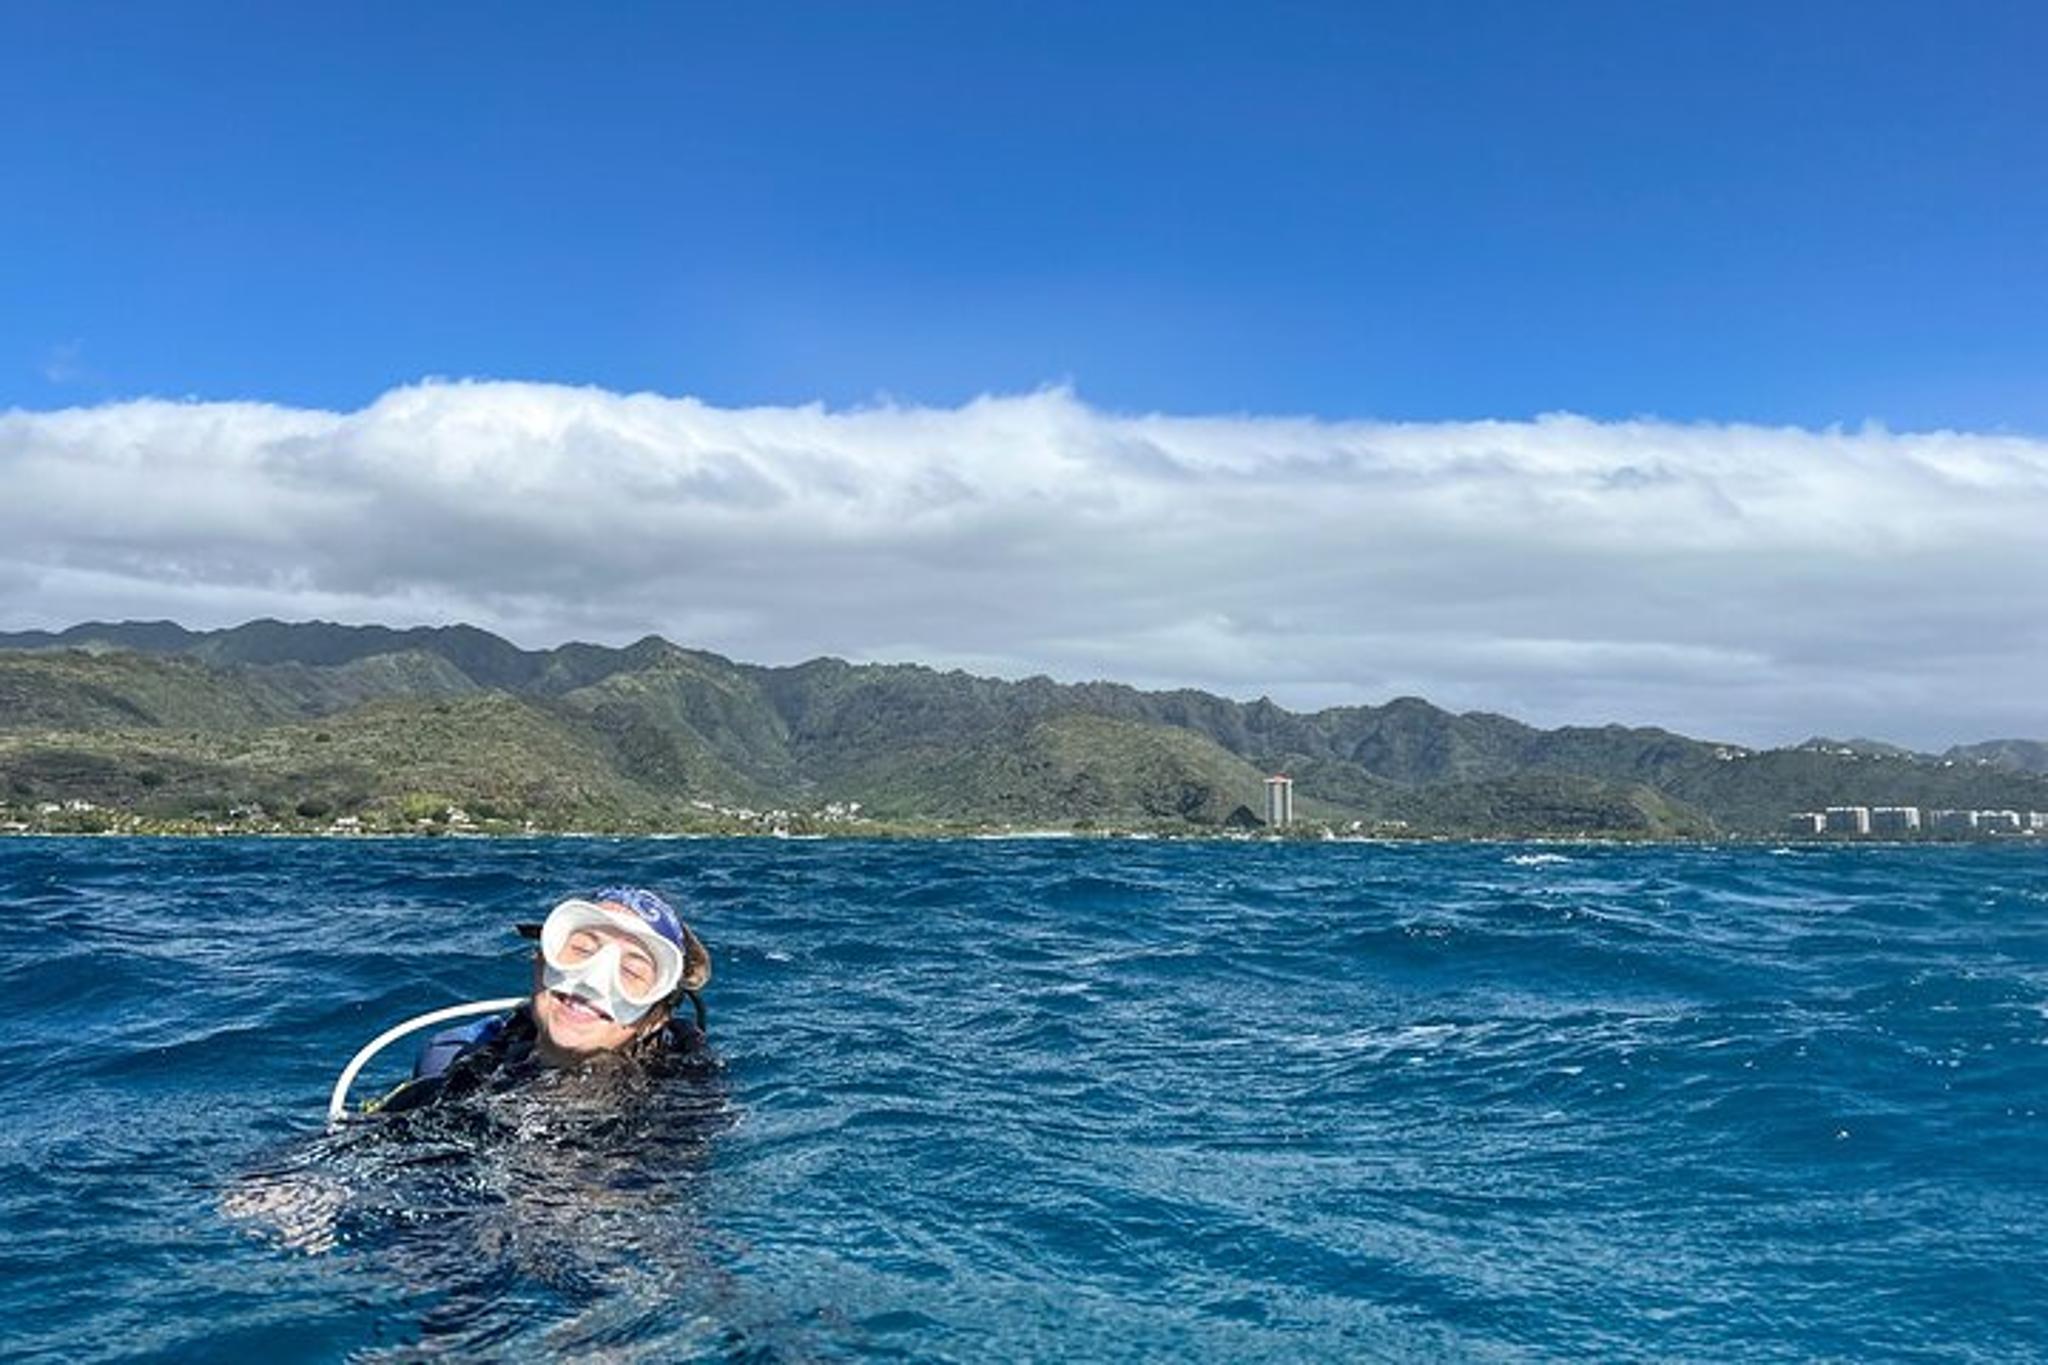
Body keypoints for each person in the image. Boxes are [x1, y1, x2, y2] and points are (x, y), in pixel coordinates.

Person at [367, 886, 713, 1114]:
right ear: (541, 963)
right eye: (581, 950)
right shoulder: (454, 1059)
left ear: (655, 1017)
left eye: (632, 972)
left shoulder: (677, 1108)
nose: (592, 981)